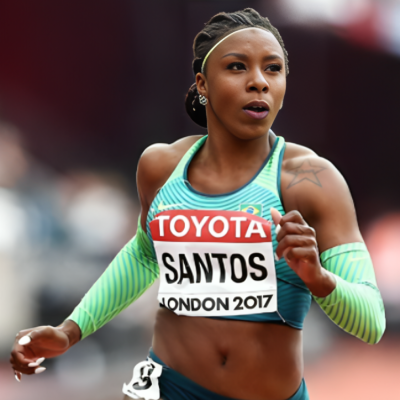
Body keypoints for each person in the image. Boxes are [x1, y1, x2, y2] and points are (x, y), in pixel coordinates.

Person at [10, 8, 385, 400]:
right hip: (170, 387)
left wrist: (320, 280)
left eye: (273, 69)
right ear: (203, 84)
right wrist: (71, 330)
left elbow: (372, 322)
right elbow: (143, 256)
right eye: (237, 67)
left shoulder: (311, 180)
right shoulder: (161, 166)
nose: (258, 81)